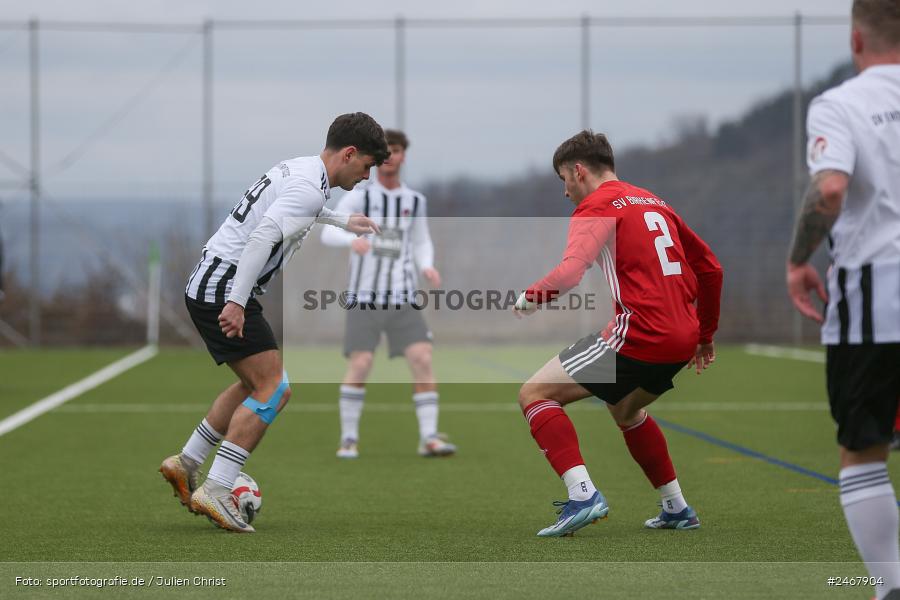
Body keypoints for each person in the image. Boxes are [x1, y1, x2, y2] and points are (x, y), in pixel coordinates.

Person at [160, 113, 389, 533]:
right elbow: (264, 235)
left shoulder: (300, 169)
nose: (367, 175)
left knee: (254, 382)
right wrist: (235, 300)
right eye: (367, 166)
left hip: (212, 281)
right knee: (274, 388)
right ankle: (217, 487)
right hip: (225, 287)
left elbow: (293, 209)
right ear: (350, 153)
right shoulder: (307, 187)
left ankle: (187, 461)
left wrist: (342, 221)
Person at [514, 130, 723, 537]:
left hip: (641, 334)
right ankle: (676, 506)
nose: (565, 192)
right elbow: (712, 269)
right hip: (682, 335)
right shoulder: (653, 201)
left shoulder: (596, 206)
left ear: (578, 171)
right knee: (625, 410)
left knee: (534, 394)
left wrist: (530, 296)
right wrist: (705, 334)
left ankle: (583, 495)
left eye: (564, 181)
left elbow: (571, 272)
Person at [786, 1, 900, 596]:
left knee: (864, 449)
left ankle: (891, 585)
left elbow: (830, 190)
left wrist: (800, 258)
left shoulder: (843, 103)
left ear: (857, 37)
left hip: (878, 295)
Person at [320, 129, 455, 459]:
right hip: (364, 296)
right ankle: (349, 438)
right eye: (385, 153)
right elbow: (327, 232)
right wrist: (351, 240)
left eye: (396, 151)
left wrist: (427, 265)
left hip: (403, 296)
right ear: (377, 158)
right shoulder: (360, 197)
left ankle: (429, 437)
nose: (391, 158)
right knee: (362, 363)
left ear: (403, 155)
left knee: (422, 358)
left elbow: (421, 241)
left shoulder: (414, 201)